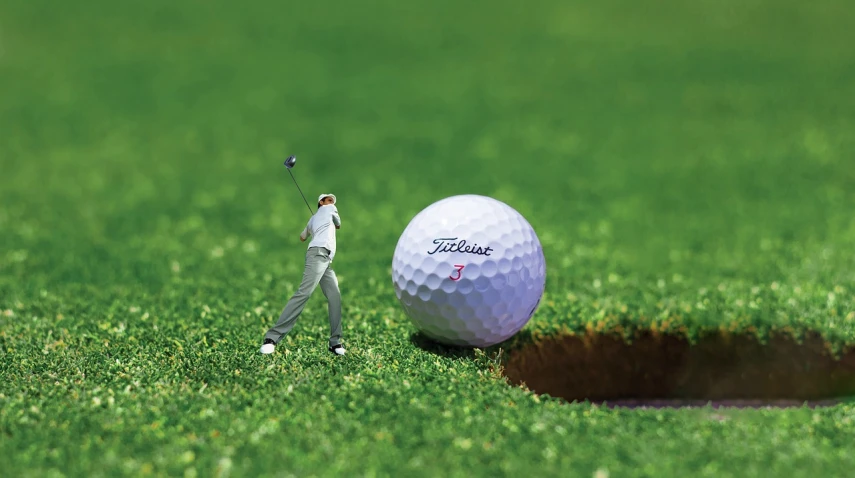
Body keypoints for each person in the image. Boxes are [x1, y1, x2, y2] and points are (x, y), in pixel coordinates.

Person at [259, 193, 345, 356]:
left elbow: (302, 237)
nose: (332, 202)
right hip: (318, 254)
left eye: (332, 200)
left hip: (325, 258)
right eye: (328, 200)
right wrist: (325, 217)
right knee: (304, 293)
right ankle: (272, 338)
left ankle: (335, 342)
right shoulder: (331, 210)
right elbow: (339, 224)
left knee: (335, 296)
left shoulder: (313, 219)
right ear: (321, 202)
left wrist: (314, 224)